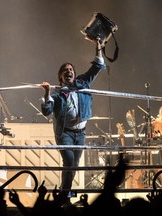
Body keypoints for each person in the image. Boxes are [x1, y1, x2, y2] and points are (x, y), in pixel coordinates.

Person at [40, 38, 106, 203]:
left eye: (71, 69)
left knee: (72, 166)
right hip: (65, 134)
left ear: (74, 74)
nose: (68, 71)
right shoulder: (57, 94)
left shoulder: (82, 83)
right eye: (65, 70)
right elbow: (46, 110)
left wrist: (98, 47)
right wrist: (47, 92)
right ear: (61, 77)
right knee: (69, 162)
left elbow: (98, 65)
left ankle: (64, 194)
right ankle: (64, 197)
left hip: (81, 133)